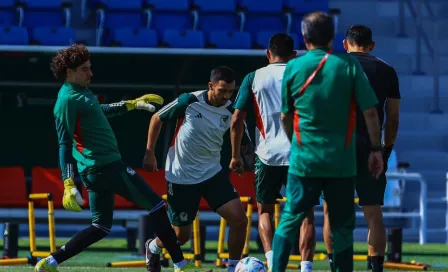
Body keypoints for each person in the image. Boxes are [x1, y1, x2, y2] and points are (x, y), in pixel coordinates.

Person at [35, 44, 195, 272]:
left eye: (90, 67)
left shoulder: (80, 93)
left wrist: (130, 105)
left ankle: (50, 262)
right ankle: (181, 265)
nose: (90, 73)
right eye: (85, 69)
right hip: (106, 167)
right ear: (69, 72)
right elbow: (63, 143)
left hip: (97, 170)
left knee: (100, 226)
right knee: (157, 206)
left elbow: (99, 110)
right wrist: (68, 183)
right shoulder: (66, 100)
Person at [272, 12, 384, 272]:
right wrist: (375, 149)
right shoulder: (348, 66)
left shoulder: (293, 67)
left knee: (290, 220)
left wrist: (295, 144)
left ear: (305, 37)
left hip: (304, 161)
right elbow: (370, 111)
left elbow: (285, 116)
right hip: (341, 163)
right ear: (333, 37)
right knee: (342, 226)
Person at [143, 66, 248, 272]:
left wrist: (239, 157)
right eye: (222, 90)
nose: (226, 96)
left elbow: (240, 132)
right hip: (181, 176)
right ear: (211, 86)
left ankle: (233, 268)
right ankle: (153, 246)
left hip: (212, 174)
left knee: (239, 220)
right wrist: (149, 152)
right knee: (181, 237)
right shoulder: (189, 101)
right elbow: (157, 118)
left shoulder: (231, 109)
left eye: (230, 92)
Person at [229, 33, 317, 272]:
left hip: (268, 154)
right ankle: (306, 268)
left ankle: (271, 264)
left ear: (269, 54)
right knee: (306, 214)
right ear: (295, 55)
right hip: (301, 154)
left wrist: (236, 155)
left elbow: (237, 119)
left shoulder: (254, 77)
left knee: (265, 210)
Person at [322, 25, 401, 272]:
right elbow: (393, 118)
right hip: (370, 147)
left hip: (337, 147)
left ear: (345, 44)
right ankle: (375, 267)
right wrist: (385, 150)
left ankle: (337, 265)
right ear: (372, 45)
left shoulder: (331, 65)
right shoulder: (387, 70)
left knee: (330, 212)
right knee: (373, 211)